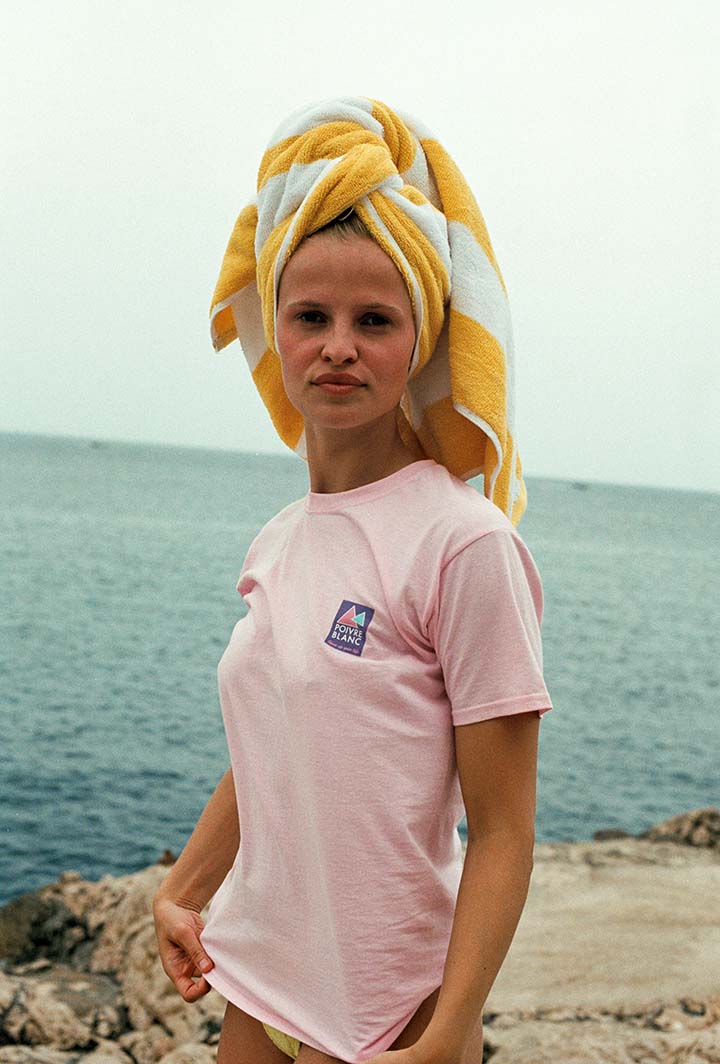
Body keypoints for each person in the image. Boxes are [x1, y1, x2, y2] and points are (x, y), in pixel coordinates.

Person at [152, 97, 554, 1064]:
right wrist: (184, 889)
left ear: (419, 340)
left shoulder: (463, 543)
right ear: (276, 331)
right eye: (311, 317)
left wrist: (449, 1032)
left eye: (374, 320)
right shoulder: (279, 542)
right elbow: (279, 739)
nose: (339, 345)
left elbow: (504, 831)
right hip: (261, 983)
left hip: (393, 1010)